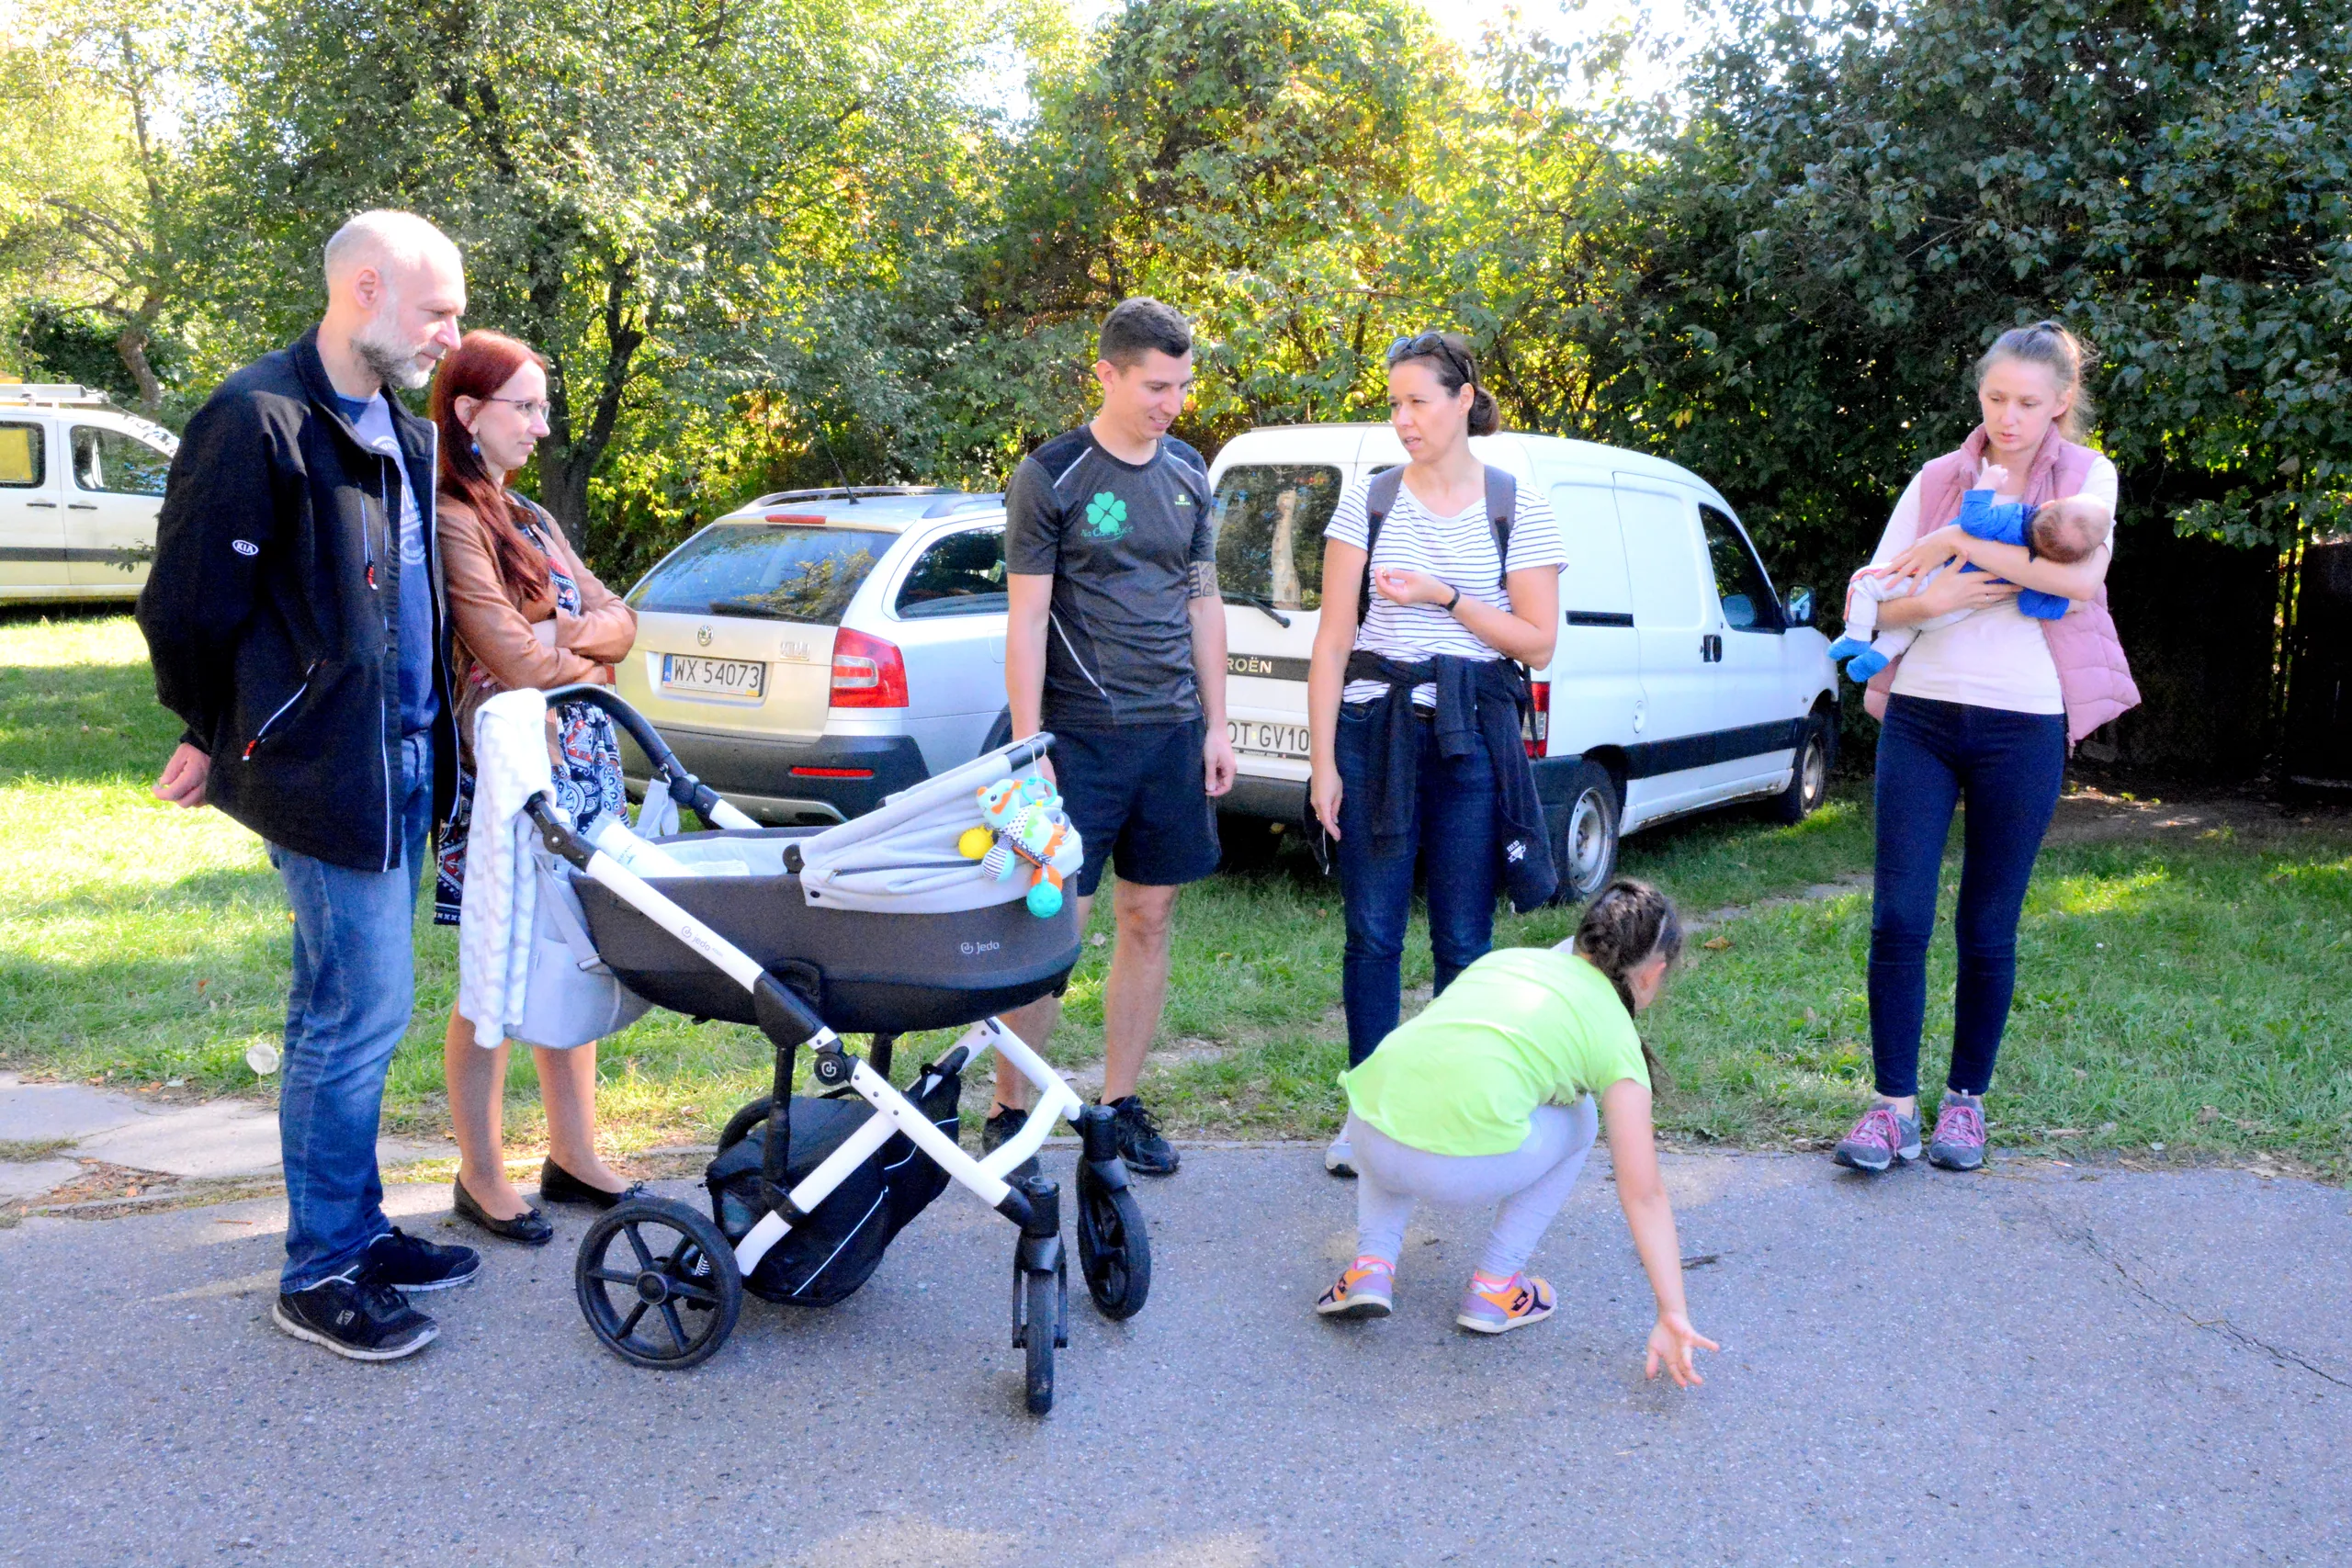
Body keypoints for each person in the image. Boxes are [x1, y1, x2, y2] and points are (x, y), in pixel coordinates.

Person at [136, 210, 480, 1360]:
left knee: (345, 1011)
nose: (452, 331)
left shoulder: (403, 428)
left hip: (402, 765)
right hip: (322, 771)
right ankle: (320, 1267)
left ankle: (359, 1227)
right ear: (365, 290)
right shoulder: (257, 418)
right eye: (437, 310)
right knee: (354, 1019)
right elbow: (188, 605)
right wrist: (208, 725)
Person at [1834, 321, 2140, 1176]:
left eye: (2028, 403)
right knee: (1898, 915)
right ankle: (1893, 1105)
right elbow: (1871, 602)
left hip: (2024, 725)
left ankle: (1965, 1102)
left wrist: (1963, 545)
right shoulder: (1937, 477)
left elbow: (2080, 581)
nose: (2008, 417)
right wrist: (1930, 602)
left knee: (1987, 923)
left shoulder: (2087, 476)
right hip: (1923, 718)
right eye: (1995, 398)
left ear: (2062, 403)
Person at [985, 298, 1236, 1177]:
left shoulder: (1190, 473)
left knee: (1150, 914)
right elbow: (1026, 622)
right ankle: (1010, 1107)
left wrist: (1218, 724)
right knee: (1053, 928)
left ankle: (1120, 1103)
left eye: (1182, 385)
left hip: (1170, 732)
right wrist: (1028, 748)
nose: (1172, 402)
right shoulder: (1051, 476)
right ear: (1107, 375)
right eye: (1155, 385)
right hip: (1074, 740)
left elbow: (1203, 602)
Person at [1305, 331, 1564, 1179]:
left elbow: (1537, 640)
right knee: (1372, 934)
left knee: (1463, 937)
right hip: (1373, 732)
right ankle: (1368, 1117)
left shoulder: (1517, 502)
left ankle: (1451, 1109)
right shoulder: (1370, 499)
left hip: (1470, 737)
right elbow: (1333, 640)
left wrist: (1446, 596)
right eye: (1393, 404)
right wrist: (1323, 762)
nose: (1402, 419)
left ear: (1463, 399)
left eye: (1417, 401)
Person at [1316, 880, 1718, 1382]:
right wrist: (1671, 1311)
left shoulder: (1506, 962)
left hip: (1364, 1133)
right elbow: (1645, 1194)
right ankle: (1495, 1287)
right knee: (1582, 1119)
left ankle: (1371, 1265)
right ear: (1654, 973)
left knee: (1404, 1094)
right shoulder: (1616, 1037)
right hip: (1451, 1172)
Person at [427, 330, 643, 1245]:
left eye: (543, 406)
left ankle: (573, 1153)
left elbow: (623, 619)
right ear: (469, 413)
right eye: (524, 406)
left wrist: (568, 637)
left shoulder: (534, 521)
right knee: (497, 969)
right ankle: (480, 1174)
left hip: (581, 767)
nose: (542, 426)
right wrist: (573, 643)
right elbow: (507, 657)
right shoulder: (449, 517)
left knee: (573, 951)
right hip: (508, 776)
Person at [1829, 474, 2110, 682]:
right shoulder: (2038, 573)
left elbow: (1973, 521)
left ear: (2047, 505)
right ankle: (1875, 659)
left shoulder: (2014, 517)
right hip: (1957, 611)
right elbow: (2030, 606)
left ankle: (1856, 636)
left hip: (1935, 576)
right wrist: (2070, 605)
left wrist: (1986, 484)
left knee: (1863, 582)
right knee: (1912, 627)